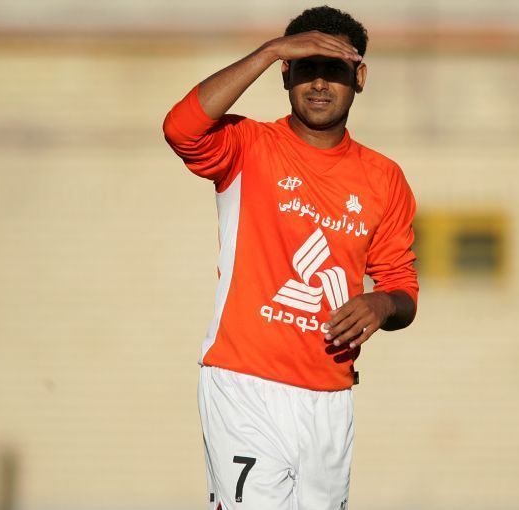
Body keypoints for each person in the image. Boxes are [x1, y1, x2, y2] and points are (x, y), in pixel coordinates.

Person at [163, 6, 418, 509]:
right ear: (285, 75)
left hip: (330, 395)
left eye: (334, 70)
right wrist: (268, 51)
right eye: (305, 68)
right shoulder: (247, 144)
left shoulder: (384, 178)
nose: (319, 83)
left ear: (359, 78)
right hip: (245, 385)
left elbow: (403, 289)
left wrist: (382, 304)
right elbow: (180, 129)